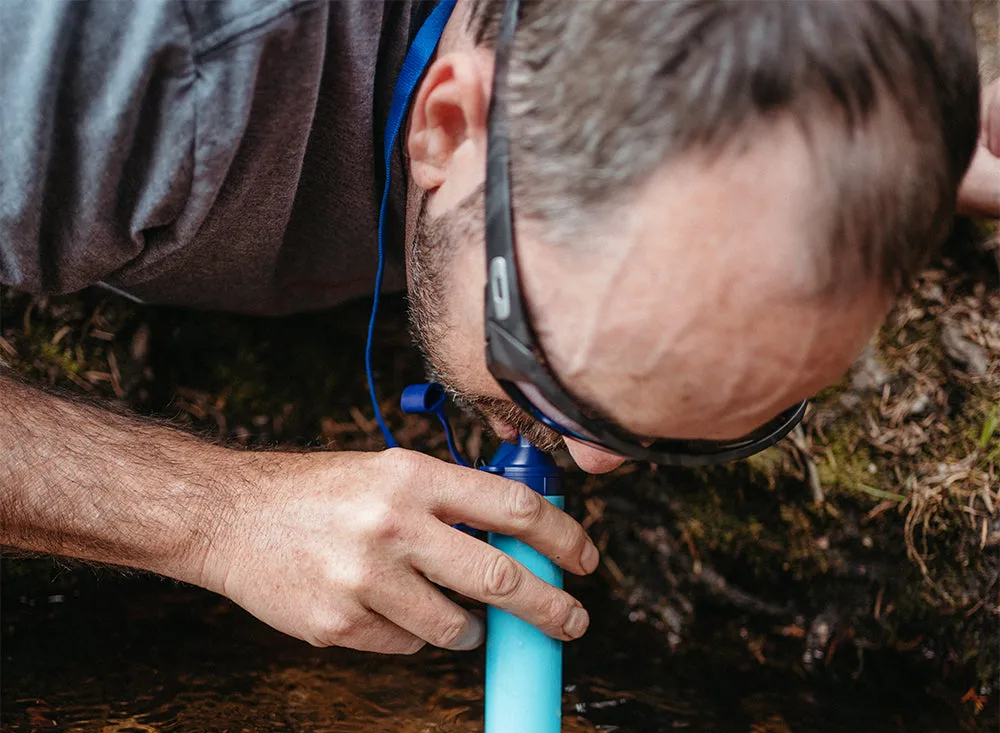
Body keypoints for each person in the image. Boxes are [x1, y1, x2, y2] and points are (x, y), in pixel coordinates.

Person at [0, 0, 986, 655]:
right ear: (447, 127)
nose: (595, 467)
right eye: (555, 376)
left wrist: (864, 160)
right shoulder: (113, 72)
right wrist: (214, 514)